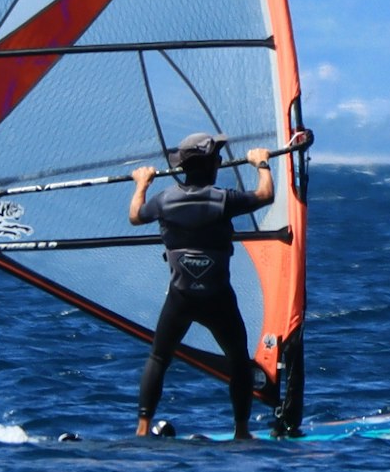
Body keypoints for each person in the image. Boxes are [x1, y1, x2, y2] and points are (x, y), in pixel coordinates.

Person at [129, 128, 307, 439]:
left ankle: (142, 428)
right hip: (218, 299)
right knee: (238, 360)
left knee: (159, 356)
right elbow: (265, 195)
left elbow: (135, 215)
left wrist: (143, 183)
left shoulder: (164, 200)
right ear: (212, 166)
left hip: (180, 297)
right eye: (218, 158)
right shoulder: (222, 200)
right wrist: (261, 163)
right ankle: (241, 431)